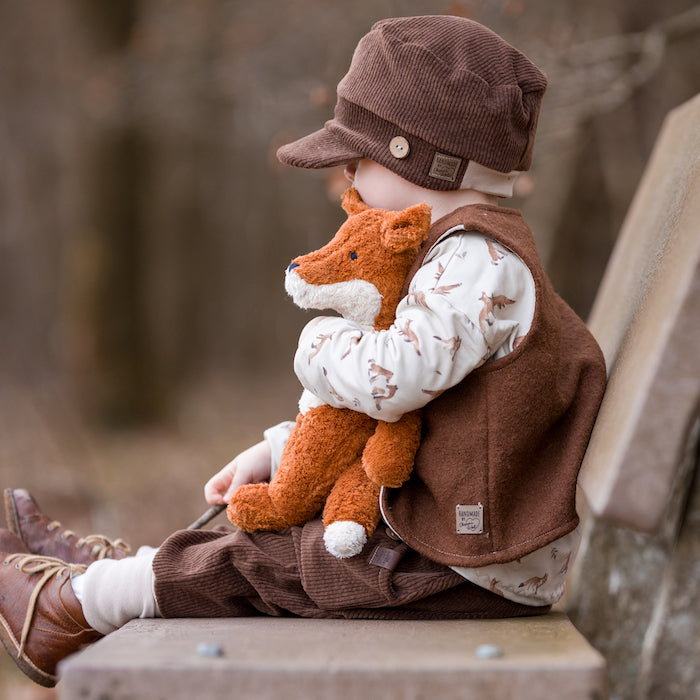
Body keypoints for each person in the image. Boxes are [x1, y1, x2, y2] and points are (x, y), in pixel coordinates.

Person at [0, 15, 607, 688]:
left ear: (416, 156)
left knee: (260, 562)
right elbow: (419, 415)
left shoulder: (475, 263)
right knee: (264, 544)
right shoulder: (458, 256)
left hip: (457, 566)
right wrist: (283, 447)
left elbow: (393, 383)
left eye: (357, 161)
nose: (347, 184)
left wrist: (320, 341)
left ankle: (72, 606)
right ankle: (104, 576)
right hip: (458, 550)